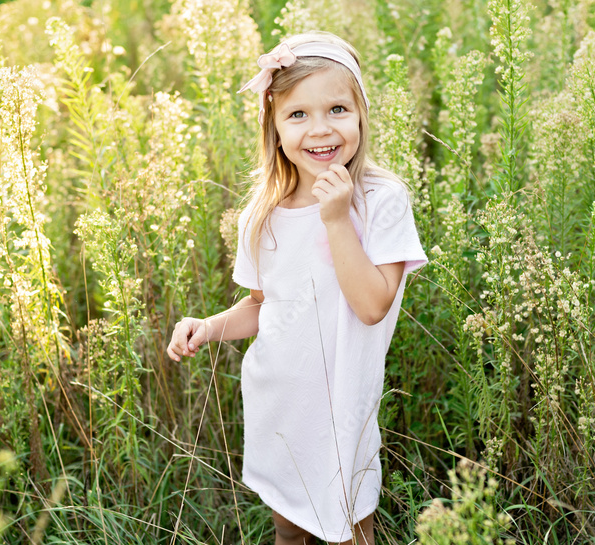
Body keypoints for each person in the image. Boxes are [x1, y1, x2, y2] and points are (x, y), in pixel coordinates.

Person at [166, 31, 427, 545]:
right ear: (276, 128)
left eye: (337, 109)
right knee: (288, 531)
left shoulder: (380, 201)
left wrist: (335, 220)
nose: (321, 130)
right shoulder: (261, 216)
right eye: (298, 115)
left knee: (350, 531)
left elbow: (373, 306)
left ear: (360, 116)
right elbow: (263, 306)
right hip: (280, 401)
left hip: (342, 410)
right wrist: (210, 327)